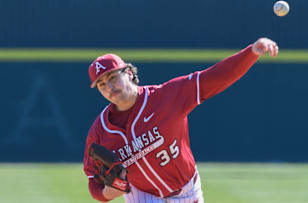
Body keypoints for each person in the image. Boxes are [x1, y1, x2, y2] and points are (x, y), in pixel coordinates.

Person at [83, 37, 279, 202]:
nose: (108, 86)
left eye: (112, 77)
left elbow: (215, 77)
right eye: (101, 84)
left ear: (128, 73)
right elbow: (93, 179)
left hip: (187, 191)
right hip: (142, 195)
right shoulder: (100, 131)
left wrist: (251, 52)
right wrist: (106, 193)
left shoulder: (166, 97)